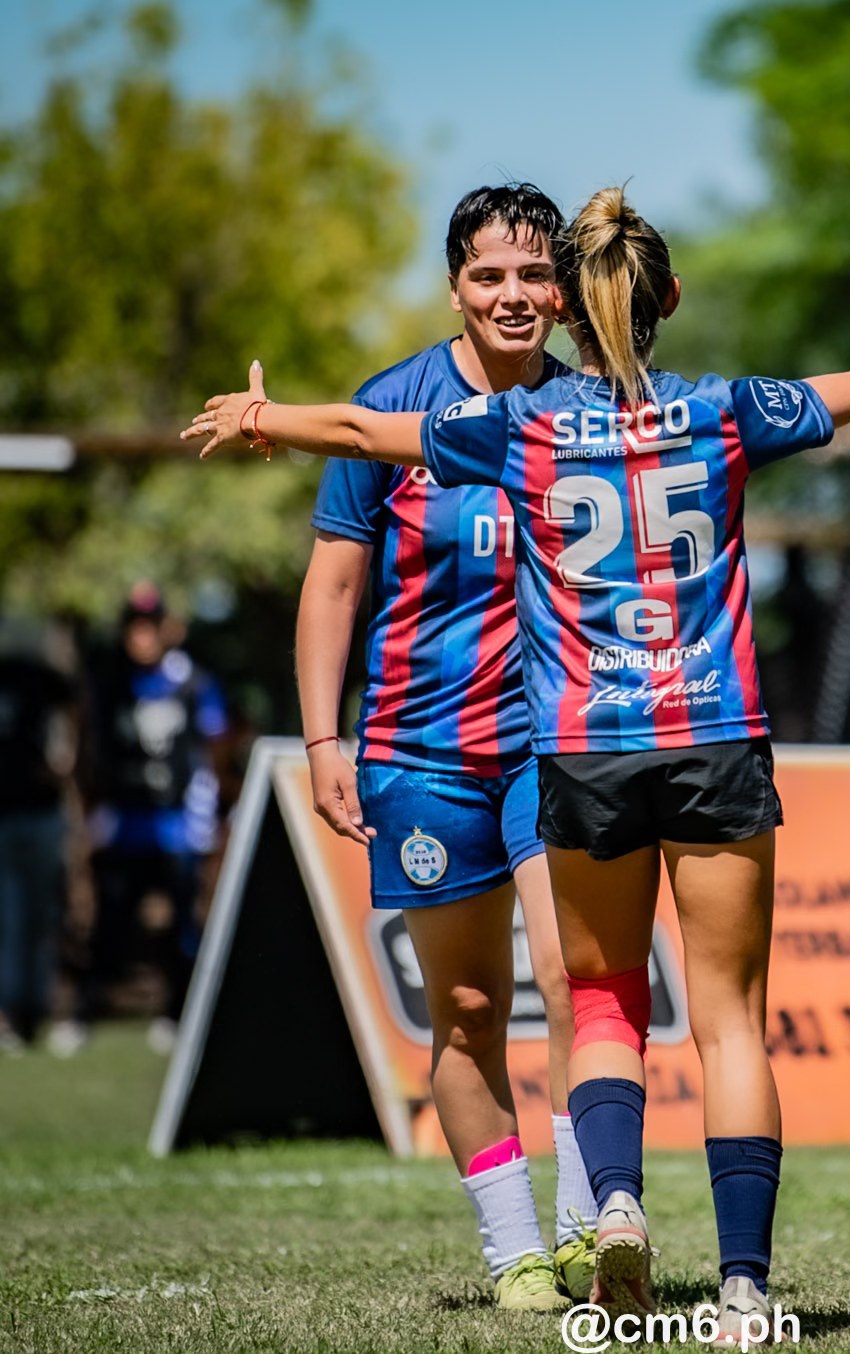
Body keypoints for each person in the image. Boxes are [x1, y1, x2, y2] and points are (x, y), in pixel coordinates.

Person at [182, 185, 850, 1336]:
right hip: (701, 737)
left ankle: (610, 1211)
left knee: (591, 997)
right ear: (669, 301)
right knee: (727, 1018)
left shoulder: (528, 427)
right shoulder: (725, 408)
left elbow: (358, 436)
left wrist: (266, 420)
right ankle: (741, 1281)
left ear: (570, 301)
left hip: (581, 749)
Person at [295, 183, 594, 1312]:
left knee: (573, 982)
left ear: (560, 290)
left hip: (557, 751)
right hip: (419, 754)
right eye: (488, 275)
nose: (511, 296)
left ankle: (583, 1231)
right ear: (455, 286)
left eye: (532, 275)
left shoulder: (595, 407)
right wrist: (327, 736)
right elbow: (334, 582)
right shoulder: (389, 408)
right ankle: (513, 1250)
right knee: (466, 1009)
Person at [58, 583, 228, 1056]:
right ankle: (80, 1014)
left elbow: (216, 744)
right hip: (123, 820)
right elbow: (84, 746)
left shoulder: (192, 680)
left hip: (177, 823)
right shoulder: (108, 682)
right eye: (134, 626)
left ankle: (179, 1015)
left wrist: (212, 810)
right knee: (109, 921)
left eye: (150, 626)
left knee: (182, 925)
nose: (142, 636)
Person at [0, 626, 77, 1052]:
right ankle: (12, 1014)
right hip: (7, 816)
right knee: (10, 920)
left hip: (43, 813)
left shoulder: (40, 676)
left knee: (44, 917)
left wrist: (63, 768)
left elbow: (73, 718)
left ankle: (39, 1009)